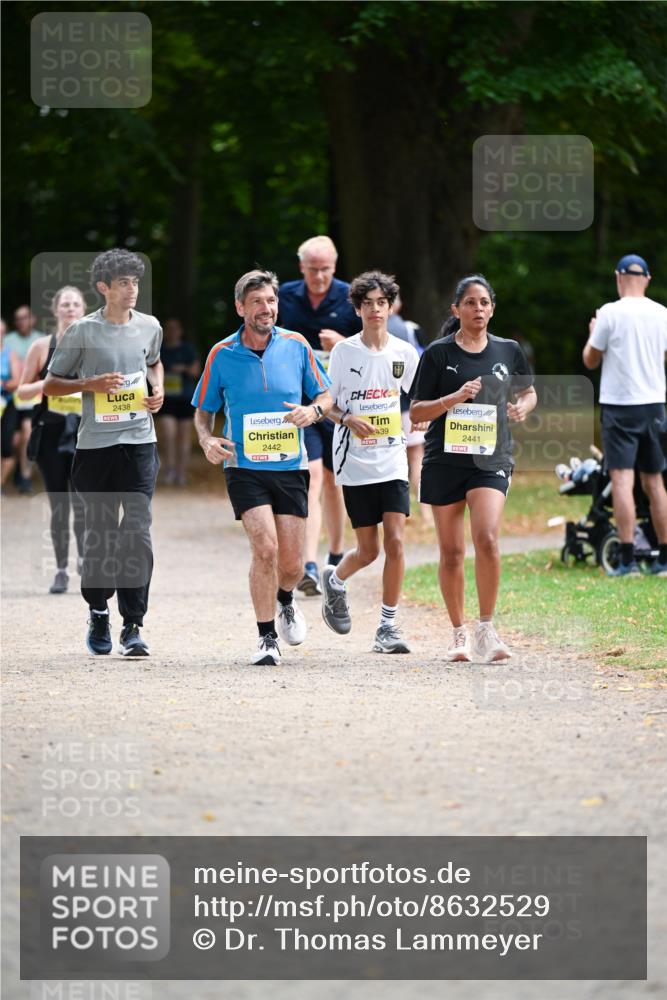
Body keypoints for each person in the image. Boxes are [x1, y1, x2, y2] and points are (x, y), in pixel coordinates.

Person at [193, 268, 332, 666]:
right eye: (256, 301)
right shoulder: (222, 353)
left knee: (291, 565)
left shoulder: (297, 345)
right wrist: (206, 439)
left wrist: (313, 411)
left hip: (290, 466)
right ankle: (266, 637)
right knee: (265, 548)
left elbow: (325, 394)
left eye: (271, 300)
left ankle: (285, 598)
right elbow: (203, 411)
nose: (266, 308)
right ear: (240, 308)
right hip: (244, 467)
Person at [410, 274, 537, 663]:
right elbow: (416, 413)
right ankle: (457, 633)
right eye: (470, 302)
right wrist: (453, 398)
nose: (478, 309)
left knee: (487, 538)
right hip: (444, 461)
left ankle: (485, 627)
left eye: (484, 302)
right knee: (451, 552)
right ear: (456, 309)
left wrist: (522, 407)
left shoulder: (508, 350)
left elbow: (529, 392)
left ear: (492, 309)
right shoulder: (438, 354)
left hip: (490, 460)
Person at [43, 248, 164, 656]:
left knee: (137, 531)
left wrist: (157, 390)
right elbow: (51, 384)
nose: (132, 290)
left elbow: (154, 363)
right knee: (100, 535)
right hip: (96, 447)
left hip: (140, 442)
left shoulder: (149, 326)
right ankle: (98, 610)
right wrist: (88, 384)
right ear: (103, 288)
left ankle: (133, 625)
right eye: (123, 283)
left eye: (135, 282)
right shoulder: (81, 331)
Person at [321, 271, 421, 653]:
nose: (375, 309)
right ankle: (335, 579)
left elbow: (419, 398)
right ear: (357, 309)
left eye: (382, 302)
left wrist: (426, 416)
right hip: (355, 461)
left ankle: (387, 627)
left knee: (395, 541)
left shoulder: (404, 352)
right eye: (368, 304)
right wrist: (348, 419)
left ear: (390, 306)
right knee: (368, 551)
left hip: (392, 459)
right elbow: (327, 404)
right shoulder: (344, 352)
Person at [278, 235, 361, 595]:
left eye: (325, 269)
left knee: (333, 480)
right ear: (302, 267)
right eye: (312, 269)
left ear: (334, 266)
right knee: (311, 477)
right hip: (302, 403)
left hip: (340, 403)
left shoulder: (351, 297)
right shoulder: (284, 296)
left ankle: (335, 555)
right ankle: (308, 564)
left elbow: (371, 348)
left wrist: (341, 343)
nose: (319, 276)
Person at [583, 253, 667, 576]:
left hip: (619, 406)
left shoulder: (609, 313)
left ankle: (628, 559)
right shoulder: (662, 313)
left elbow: (591, 360)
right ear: (647, 279)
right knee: (654, 481)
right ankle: (663, 559)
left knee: (621, 479)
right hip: (654, 405)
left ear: (618, 277)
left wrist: (593, 334)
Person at [16, 286, 86, 593]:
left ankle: (85, 559)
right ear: (56, 310)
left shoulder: (95, 346)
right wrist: (49, 384)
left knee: (84, 503)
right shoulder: (41, 347)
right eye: (65, 304)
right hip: (51, 434)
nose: (70, 308)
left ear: (83, 310)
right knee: (59, 504)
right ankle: (60, 570)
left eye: (75, 304)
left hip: (85, 432)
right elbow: (22, 391)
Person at [387, 292, 429, 518]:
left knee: (391, 458)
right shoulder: (411, 329)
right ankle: (426, 512)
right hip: (410, 403)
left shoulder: (366, 333)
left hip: (382, 404)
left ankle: (396, 511)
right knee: (416, 455)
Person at [6, 306, 45, 493]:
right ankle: (16, 469)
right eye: (18, 318)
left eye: (25, 317)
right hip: (11, 397)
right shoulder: (7, 340)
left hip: (33, 395)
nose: (21, 321)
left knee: (28, 432)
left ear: (33, 319)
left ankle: (25, 477)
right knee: (15, 439)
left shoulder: (41, 340)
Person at [158, 317, 201, 485]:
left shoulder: (188, 349)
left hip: (185, 397)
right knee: (168, 434)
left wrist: (182, 368)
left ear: (180, 332)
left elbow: (196, 371)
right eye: (169, 328)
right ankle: (169, 469)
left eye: (175, 328)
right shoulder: (159, 349)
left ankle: (181, 472)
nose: (172, 332)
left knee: (183, 437)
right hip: (166, 398)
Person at [1, 319, 21, 488]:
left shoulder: (10, 353)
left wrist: (3, 384)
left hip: (6, 404)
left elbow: (16, 381)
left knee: (7, 446)